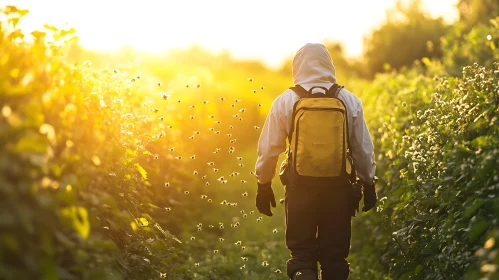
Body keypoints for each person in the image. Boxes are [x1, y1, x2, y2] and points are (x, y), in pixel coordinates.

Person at [254, 43, 377, 280]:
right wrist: (368, 183)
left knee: (301, 255)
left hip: (300, 188)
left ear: (297, 67)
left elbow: (269, 148)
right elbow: (363, 149)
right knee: (335, 257)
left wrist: (263, 184)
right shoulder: (349, 100)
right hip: (338, 189)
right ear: (329, 65)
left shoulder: (285, 101)